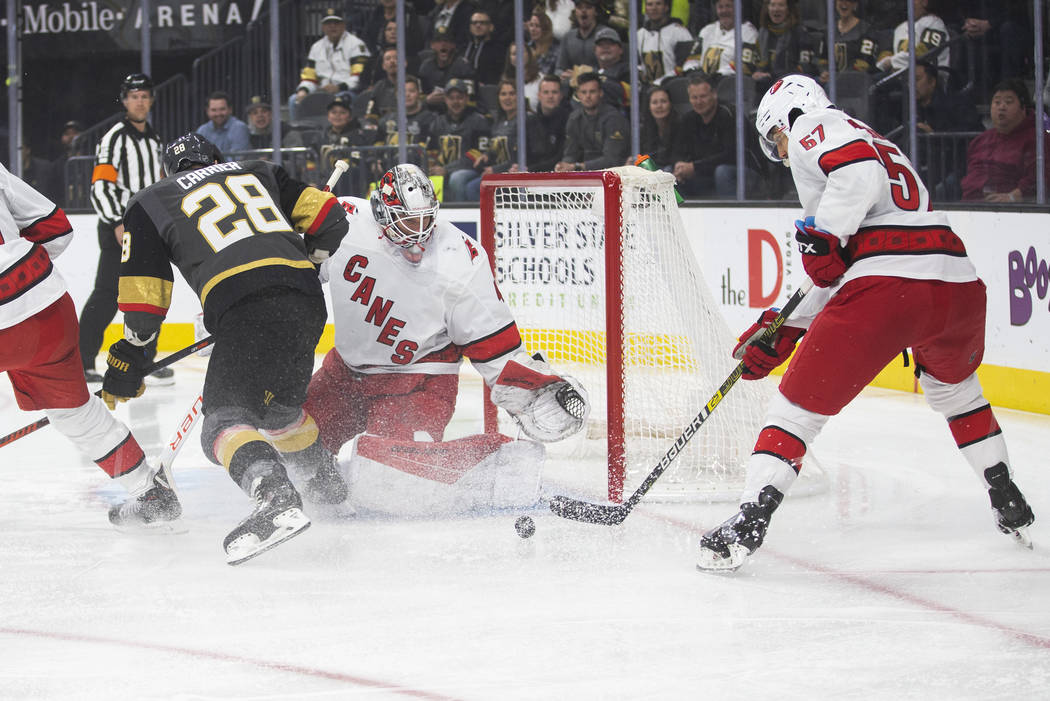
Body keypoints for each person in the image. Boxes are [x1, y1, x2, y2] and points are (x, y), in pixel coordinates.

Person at [697, 74, 1035, 572]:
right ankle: (1004, 491)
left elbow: (857, 184)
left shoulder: (816, 124)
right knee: (960, 396)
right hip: (956, 287)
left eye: (776, 140)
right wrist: (785, 327)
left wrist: (824, 234)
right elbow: (845, 266)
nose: (782, 153)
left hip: (889, 290)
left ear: (788, 115)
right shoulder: (877, 140)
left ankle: (749, 521)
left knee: (794, 412)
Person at [101, 133, 350, 565]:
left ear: (167, 171)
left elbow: (144, 302)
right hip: (305, 301)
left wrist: (131, 356)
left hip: (243, 305)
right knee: (277, 411)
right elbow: (331, 218)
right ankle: (323, 479)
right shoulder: (260, 171)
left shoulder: (151, 200)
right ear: (218, 158)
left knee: (222, 422)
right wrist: (311, 258)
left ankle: (275, 494)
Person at [303, 164, 589, 514]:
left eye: (427, 220)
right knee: (288, 452)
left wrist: (531, 394)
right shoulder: (342, 220)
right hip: (344, 376)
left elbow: (494, 346)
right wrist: (301, 231)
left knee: (389, 487)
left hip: (418, 384)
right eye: (409, 222)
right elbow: (300, 270)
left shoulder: (461, 258)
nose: (420, 234)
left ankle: (491, 458)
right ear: (381, 212)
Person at [0, 161, 179, 529]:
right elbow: (56, 228)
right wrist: (18, 273)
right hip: (45, 302)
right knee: (74, 413)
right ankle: (148, 491)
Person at [81, 73, 169, 386]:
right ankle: (82, 360)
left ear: (151, 100)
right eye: (134, 96)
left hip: (149, 229)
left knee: (150, 293)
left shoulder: (155, 139)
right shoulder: (114, 138)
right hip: (119, 228)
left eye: (145, 95)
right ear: (124, 100)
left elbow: (158, 185)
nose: (140, 101)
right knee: (106, 295)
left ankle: (147, 360)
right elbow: (101, 186)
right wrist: (119, 220)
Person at [961, 79, 1050, 204]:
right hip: (968, 209)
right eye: (997, 102)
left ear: (1023, 108)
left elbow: (1039, 180)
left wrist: (1012, 197)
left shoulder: (1038, 140)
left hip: (1011, 210)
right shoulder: (980, 141)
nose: (1001, 107)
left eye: (1008, 102)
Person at [673, 72, 756, 197]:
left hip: (745, 173)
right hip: (707, 173)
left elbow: (732, 156)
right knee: (670, 174)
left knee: (722, 172)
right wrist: (679, 165)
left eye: (703, 96)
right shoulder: (688, 119)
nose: (699, 101)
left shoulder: (730, 115)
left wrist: (695, 167)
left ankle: (730, 215)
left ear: (714, 94)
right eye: (694, 98)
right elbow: (677, 150)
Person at [461, 80, 546, 199]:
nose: (507, 98)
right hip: (496, 171)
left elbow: (528, 155)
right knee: (459, 179)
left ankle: (485, 218)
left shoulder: (527, 120)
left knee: (473, 187)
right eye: (503, 94)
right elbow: (496, 148)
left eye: (512, 93)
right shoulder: (498, 122)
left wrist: (495, 169)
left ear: (520, 96)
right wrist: (486, 155)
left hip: (515, 173)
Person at [289, 9, 372, 120]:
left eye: (336, 23)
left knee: (338, 99)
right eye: (328, 24)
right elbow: (309, 76)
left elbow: (358, 76)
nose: (332, 27)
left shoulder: (356, 44)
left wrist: (338, 87)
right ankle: (297, 132)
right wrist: (303, 90)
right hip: (321, 91)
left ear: (343, 25)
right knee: (294, 99)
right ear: (323, 27)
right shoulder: (316, 47)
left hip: (347, 91)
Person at [429, 78, 492, 201]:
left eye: (459, 97)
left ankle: (460, 218)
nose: (455, 101)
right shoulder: (437, 122)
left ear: (467, 98)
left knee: (457, 178)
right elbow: (431, 151)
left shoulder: (479, 121)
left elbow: (478, 155)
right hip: (441, 170)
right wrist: (431, 166)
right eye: (451, 98)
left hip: (470, 170)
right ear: (445, 99)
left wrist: (447, 170)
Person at [554, 72, 629, 172]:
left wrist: (577, 166)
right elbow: (571, 154)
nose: (588, 96)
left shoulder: (613, 119)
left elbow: (612, 160)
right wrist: (563, 165)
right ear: (578, 95)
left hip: (615, 175)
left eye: (592, 92)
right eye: (584, 92)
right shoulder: (574, 118)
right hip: (585, 175)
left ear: (600, 93)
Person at [751, 0, 816, 93]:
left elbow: (806, 67)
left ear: (789, 9)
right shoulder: (762, 32)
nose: (776, 9)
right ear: (767, 8)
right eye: (773, 5)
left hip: (791, 82)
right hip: (766, 81)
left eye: (781, 5)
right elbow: (757, 62)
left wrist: (777, 76)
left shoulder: (799, 32)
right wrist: (758, 72)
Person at [683, 0, 758, 76]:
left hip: (729, 81)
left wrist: (718, 75)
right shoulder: (708, 30)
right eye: (720, 7)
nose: (724, 11)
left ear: (738, 8)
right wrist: (692, 71)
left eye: (728, 6)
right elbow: (693, 58)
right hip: (702, 80)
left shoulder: (748, 32)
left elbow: (745, 65)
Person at [813, 0, 880, 84]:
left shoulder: (866, 30)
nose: (844, 3)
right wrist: (825, 72)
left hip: (857, 83)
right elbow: (822, 59)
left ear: (855, 4)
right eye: (840, 0)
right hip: (829, 81)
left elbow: (864, 62)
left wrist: (838, 77)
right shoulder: (828, 30)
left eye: (849, 0)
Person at [875, 0, 949, 73]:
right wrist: (885, 64)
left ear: (924, 2)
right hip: (899, 77)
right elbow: (883, 60)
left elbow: (923, 55)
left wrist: (892, 62)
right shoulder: (900, 28)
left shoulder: (934, 23)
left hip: (927, 78)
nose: (909, 3)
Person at [418, 27, 476, 111]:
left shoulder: (464, 67)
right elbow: (419, 97)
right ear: (432, 45)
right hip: (431, 112)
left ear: (453, 45)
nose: (443, 44)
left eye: (447, 41)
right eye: (438, 41)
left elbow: (471, 100)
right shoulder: (425, 67)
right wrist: (427, 100)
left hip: (458, 112)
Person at [637, 0, 693, 86]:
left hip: (674, 87)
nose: (654, 8)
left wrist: (661, 82)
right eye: (650, 5)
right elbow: (637, 64)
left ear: (666, 7)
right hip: (647, 89)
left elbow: (684, 66)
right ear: (645, 8)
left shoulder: (680, 32)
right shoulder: (639, 34)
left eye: (658, 4)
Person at [555, 0, 610, 81]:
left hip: (600, 83)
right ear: (575, 12)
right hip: (573, 85)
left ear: (595, 12)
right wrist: (563, 74)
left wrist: (588, 72)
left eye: (588, 7)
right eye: (579, 7)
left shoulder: (606, 34)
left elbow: (612, 67)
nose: (583, 11)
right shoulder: (568, 37)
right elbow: (558, 69)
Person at [636, 85, 687, 170]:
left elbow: (677, 157)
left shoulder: (681, 126)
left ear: (670, 104)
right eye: (654, 102)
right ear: (649, 107)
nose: (659, 106)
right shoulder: (644, 129)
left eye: (663, 101)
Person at [531, 74, 573, 172]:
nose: (550, 96)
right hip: (532, 175)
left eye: (554, 92)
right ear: (539, 95)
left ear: (561, 95)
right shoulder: (530, 121)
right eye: (546, 92)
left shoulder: (570, 120)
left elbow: (560, 157)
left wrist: (530, 169)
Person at [196, 91, 252, 155]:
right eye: (214, 110)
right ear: (207, 111)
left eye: (222, 109)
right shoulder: (202, 130)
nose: (218, 114)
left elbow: (237, 159)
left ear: (230, 110)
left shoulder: (240, 128)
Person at [463, 10, 506, 86]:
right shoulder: (464, 48)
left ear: (491, 27)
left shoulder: (499, 50)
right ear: (470, 27)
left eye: (482, 23)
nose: (478, 25)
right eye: (474, 23)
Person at [527, 10, 561, 77]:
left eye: (537, 26)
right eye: (531, 25)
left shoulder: (556, 49)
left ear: (545, 29)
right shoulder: (527, 47)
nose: (533, 29)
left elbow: (546, 72)